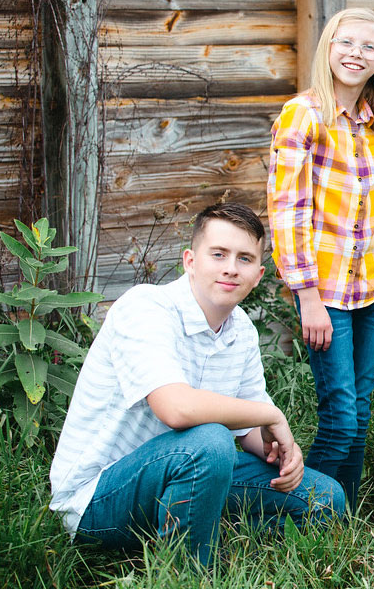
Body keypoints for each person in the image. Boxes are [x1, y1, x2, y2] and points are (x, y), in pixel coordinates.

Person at [49, 203, 345, 568]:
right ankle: (187, 571)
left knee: (326, 497)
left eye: (245, 259)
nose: (231, 268)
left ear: (258, 274)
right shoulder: (146, 307)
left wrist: (282, 453)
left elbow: (252, 428)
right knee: (210, 441)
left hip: (186, 474)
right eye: (218, 254)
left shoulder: (242, 333)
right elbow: (177, 409)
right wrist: (271, 413)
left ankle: (203, 536)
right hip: (98, 500)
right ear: (190, 260)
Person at [267, 7, 374, 511]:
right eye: (346, 43)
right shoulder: (304, 114)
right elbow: (288, 211)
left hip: (366, 291)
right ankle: (304, 513)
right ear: (328, 48)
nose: (355, 54)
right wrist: (307, 298)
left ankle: (344, 520)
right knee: (340, 417)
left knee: (361, 415)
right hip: (326, 297)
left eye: (368, 47)